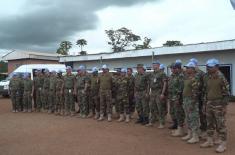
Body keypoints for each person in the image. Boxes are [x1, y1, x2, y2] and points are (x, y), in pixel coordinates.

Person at [200, 59, 230, 153]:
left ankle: (223, 143)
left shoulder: (221, 77)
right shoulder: (207, 77)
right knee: (209, 123)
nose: (208, 68)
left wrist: (224, 106)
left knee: (220, 124)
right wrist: (204, 104)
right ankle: (209, 141)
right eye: (207, 66)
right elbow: (205, 91)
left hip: (218, 104)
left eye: (210, 67)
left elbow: (226, 93)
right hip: (209, 103)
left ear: (217, 67)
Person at [181, 62, 200, 144]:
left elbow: (196, 92)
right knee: (188, 118)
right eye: (186, 68)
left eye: (188, 68)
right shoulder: (187, 78)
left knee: (193, 118)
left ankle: (195, 136)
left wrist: (193, 102)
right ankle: (190, 134)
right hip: (186, 100)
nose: (186, 69)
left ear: (192, 69)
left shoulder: (195, 79)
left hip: (192, 101)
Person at [146, 61, 167, 129]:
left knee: (160, 108)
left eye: (155, 65)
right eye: (153, 65)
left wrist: (162, 93)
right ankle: (151, 121)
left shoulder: (162, 73)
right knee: (152, 107)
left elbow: (164, 83)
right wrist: (149, 91)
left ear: (158, 65)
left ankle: (162, 123)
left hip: (159, 92)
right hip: (153, 92)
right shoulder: (151, 74)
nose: (153, 66)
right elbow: (149, 84)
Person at [168, 62, 185, 136]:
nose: (171, 70)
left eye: (173, 68)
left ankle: (180, 129)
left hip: (178, 98)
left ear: (177, 68)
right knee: (173, 111)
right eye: (171, 68)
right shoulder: (173, 76)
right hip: (172, 96)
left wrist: (178, 98)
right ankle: (176, 126)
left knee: (179, 113)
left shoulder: (181, 76)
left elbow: (180, 89)